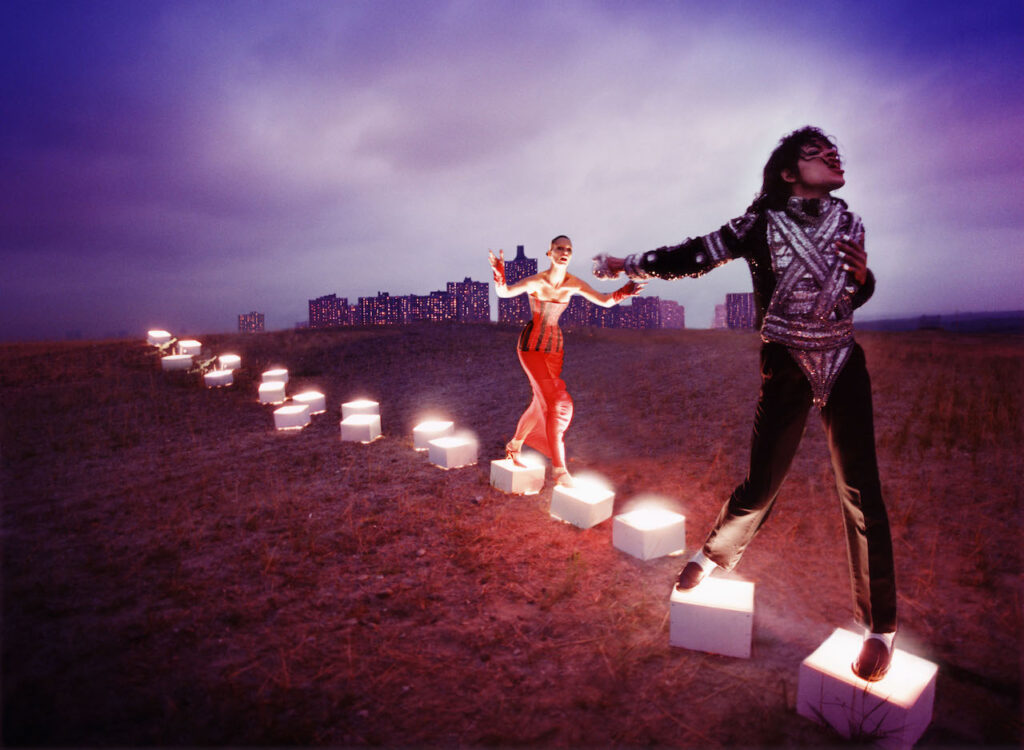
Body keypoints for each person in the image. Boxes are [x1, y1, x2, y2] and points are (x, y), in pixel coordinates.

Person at [593, 127, 898, 681]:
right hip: (785, 364)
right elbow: (695, 255)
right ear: (787, 172)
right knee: (762, 483)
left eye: (835, 152)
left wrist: (864, 277)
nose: (833, 156)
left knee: (860, 492)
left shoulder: (850, 222)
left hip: (843, 360)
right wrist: (625, 262)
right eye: (816, 153)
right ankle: (713, 556)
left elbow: (853, 295)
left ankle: (879, 627)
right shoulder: (758, 223)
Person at [489, 235, 644, 487]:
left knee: (540, 401)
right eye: (559, 248)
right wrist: (499, 274)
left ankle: (514, 446)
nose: (564, 252)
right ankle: (560, 471)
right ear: (549, 253)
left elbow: (604, 301)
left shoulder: (574, 283)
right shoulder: (537, 280)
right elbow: (504, 292)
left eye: (568, 249)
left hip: (555, 349)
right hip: (531, 347)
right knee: (556, 402)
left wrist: (623, 292)